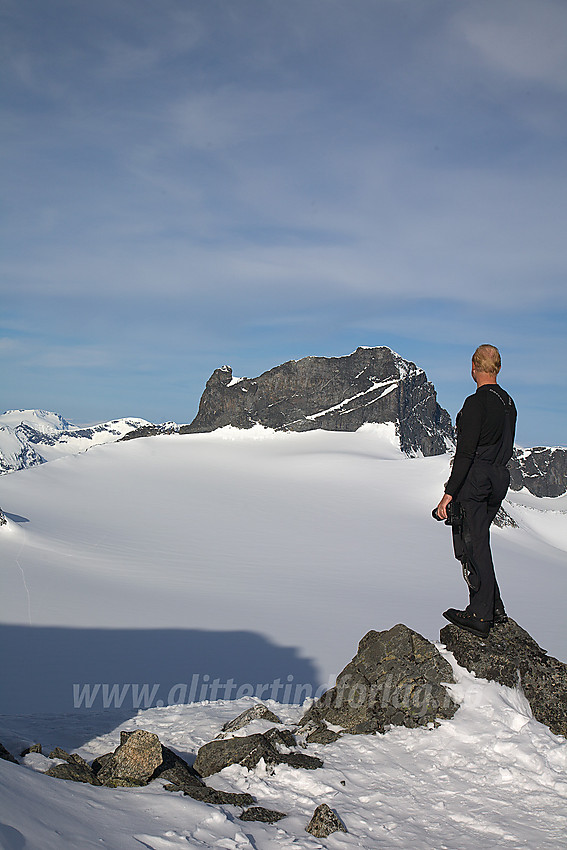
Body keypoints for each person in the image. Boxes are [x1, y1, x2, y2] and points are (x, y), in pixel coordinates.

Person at [435, 344, 517, 637]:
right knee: (480, 540)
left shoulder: (475, 403)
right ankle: (494, 607)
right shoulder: (509, 403)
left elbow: (466, 452)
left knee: (470, 543)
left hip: (477, 477)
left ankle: (480, 614)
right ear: (498, 367)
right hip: (499, 477)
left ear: (474, 367)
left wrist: (449, 493)